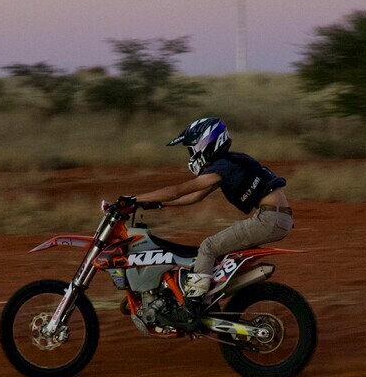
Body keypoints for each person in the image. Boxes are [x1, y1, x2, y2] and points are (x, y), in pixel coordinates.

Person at [125, 117, 293, 328]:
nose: (191, 155)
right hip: (275, 217)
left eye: (191, 149)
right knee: (217, 252)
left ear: (204, 143)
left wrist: (134, 199)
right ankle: (205, 299)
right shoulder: (229, 163)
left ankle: (192, 308)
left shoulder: (223, 167)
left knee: (208, 247)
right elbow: (195, 196)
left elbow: (177, 191)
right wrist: (158, 205)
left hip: (270, 218)